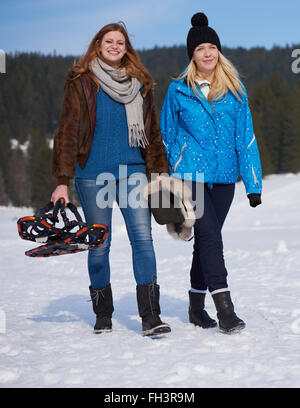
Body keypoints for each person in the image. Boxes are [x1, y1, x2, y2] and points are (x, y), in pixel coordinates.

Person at [50, 22, 171, 337]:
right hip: (93, 175)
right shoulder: (82, 81)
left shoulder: (140, 84)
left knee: (143, 240)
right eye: (109, 41)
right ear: (98, 44)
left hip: (133, 171)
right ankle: (103, 314)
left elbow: (153, 135)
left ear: (126, 47)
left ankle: (151, 316)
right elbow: (67, 130)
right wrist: (62, 180)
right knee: (100, 245)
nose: (115, 45)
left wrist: (159, 177)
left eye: (120, 42)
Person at [160, 12, 262, 333]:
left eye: (212, 47)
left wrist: (253, 184)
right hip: (190, 177)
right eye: (201, 48)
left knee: (206, 241)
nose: (207, 53)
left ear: (218, 51)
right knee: (210, 237)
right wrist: (174, 166)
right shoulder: (178, 91)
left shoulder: (235, 90)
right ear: (192, 54)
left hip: (224, 180)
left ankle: (194, 305)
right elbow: (166, 134)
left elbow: (245, 138)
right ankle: (225, 310)